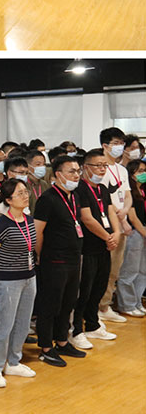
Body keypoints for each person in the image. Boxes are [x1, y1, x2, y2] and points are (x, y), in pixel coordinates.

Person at [33, 154, 87, 367]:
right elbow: (38, 232)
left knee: (68, 302)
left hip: (73, 258)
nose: (76, 175)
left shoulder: (74, 196)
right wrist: (40, 256)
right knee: (50, 304)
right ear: (58, 174)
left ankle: (62, 340)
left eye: (78, 171)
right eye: (71, 171)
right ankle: (46, 347)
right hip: (54, 260)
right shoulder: (48, 199)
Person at [0, 179, 37, 387]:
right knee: (4, 325)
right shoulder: (3, 224)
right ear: (8, 200)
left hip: (29, 277)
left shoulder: (29, 220)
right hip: (7, 280)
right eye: (19, 193)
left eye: (25, 192)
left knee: (23, 323)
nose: (25, 196)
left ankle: (14, 361)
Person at [69, 150, 120, 349]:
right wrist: (108, 237)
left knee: (99, 286)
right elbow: (87, 218)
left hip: (104, 246)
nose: (102, 169)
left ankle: (92, 324)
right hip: (87, 247)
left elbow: (110, 211)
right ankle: (76, 330)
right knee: (84, 290)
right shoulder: (80, 189)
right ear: (85, 167)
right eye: (98, 165)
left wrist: (116, 233)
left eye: (104, 165)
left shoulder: (103, 189)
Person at [99, 127, 133, 322]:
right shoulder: (100, 169)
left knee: (115, 269)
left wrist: (125, 212)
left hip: (121, 221)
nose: (120, 147)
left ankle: (105, 305)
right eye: (116, 143)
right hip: (109, 224)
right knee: (104, 268)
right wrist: (121, 221)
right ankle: (97, 307)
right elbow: (105, 201)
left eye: (122, 143)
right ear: (105, 146)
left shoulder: (122, 169)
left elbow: (127, 196)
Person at [116, 159, 146, 316]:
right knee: (130, 271)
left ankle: (137, 301)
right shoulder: (130, 192)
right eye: (140, 171)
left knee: (142, 271)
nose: (143, 174)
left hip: (143, 232)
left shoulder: (143, 190)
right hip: (135, 233)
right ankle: (126, 304)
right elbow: (133, 218)